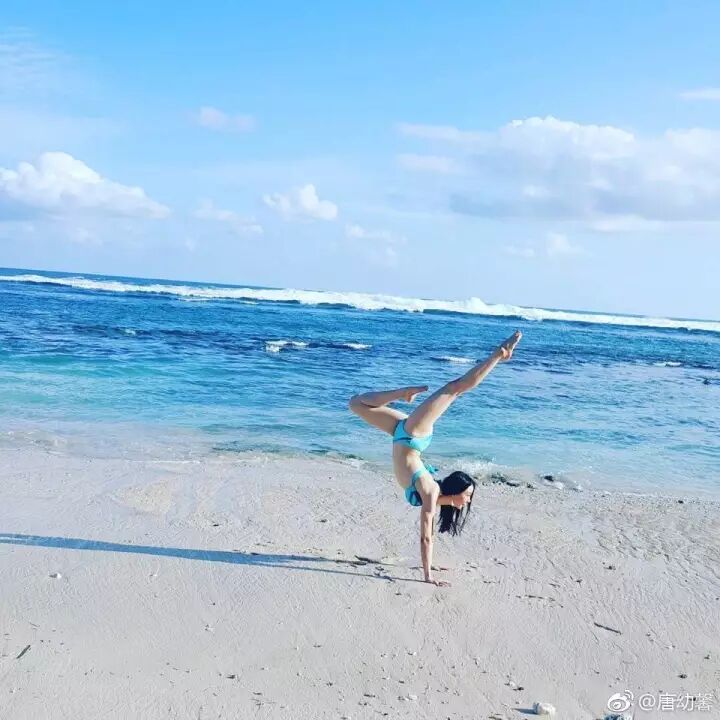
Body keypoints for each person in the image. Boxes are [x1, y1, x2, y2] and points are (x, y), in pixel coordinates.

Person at [349, 330, 522, 586]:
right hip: (412, 434)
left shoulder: (431, 493)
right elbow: (427, 536)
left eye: (468, 496)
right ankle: (499, 354)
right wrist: (428, 576)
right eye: (468, 495)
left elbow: (426, 535)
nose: (468, 500)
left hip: (403, 435)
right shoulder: (430, 490)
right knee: (454, 388)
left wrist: (429, 573)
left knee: (356, 403)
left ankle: (403, 393)